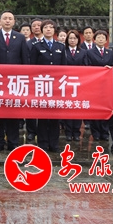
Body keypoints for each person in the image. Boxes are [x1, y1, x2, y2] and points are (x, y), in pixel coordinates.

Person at [0, 11, 29, 153]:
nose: (8, 21)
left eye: (10, 18)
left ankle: (13, 142)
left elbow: (24, 60)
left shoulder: (20, 37)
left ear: (14, 21)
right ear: (1, 21)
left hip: (15, 82)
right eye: (5, 18)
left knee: (13, 113)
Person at [30, 20, 67, 153]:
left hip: (56, 86)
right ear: (42, 30)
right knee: (42, 117)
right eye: (46, 27)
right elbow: (32, 67)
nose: (48, 29)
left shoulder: (60, 46)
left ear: (54, 30)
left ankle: (54, 144)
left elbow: (64, 67)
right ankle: (43, 143)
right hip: (42, 86)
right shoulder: (36, 46)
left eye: (51, 27)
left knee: (54, 117)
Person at [86, 30, 113, 141]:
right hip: (94, 85)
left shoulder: (110, 53)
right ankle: (96, 133)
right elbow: (87, 67)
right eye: (98, 37)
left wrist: (110, 70)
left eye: (103, 37)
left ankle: (105, 132)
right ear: (94, 40)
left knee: (105, 108)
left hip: (106, 85)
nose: (101, 39)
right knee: (95, 108)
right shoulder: (89, 52)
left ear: (106, 40)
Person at [63, 29, 87, 142]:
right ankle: (68, 132)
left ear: (78, 40)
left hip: (79, 84)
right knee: (68, 108)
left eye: (75, 38)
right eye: (70, 38)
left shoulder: (83, 52)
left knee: (78, 108)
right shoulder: (63, 51)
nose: (72, 40)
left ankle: (76, 132)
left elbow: (86, 67)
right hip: (66, 84)